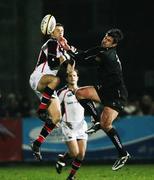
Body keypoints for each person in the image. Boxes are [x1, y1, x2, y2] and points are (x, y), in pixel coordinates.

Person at [70, 28, 130, 171]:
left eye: (108, 40)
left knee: (106, 125)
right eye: (105, 37)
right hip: (104, 90)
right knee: (80, 93)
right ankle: (96, 119)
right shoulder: (102, 50)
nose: (105, 40)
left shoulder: (107, 55)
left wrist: (68, 50)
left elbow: (83, 61)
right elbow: (83, 55)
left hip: (117, 95)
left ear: (114, 44)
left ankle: (123, 154)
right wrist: (68, 47)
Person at [29, 22, 74, 160]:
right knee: (55, 81)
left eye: (62, 30)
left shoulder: (61, 47)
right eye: (57, 30)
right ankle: (41, 111)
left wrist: (68, 51)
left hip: (47, 88)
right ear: (51, 32)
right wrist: (64, 57)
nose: (60, 32)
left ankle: (37, 144)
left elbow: (70, 66)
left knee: (56, 118)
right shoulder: (51, 42)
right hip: (39, 78)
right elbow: (53, 63)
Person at [55, 69, 88, 180]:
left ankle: (71, 177)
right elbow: (54, 107)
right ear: (66, 78)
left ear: (77, 77)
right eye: (70, 76)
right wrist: (54, 119)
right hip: (68, 126)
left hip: (81, 125)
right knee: (74, 153)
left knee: (81, 155)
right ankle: (62, 159)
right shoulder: (62, 92)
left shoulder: (83, 91)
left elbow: (90, 106)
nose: (72, 77)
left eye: (74, 75)